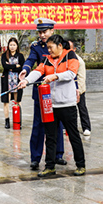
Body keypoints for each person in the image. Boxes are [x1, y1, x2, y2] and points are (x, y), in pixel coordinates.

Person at [18, 34, 86, 177]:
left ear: (60, 46)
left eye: (51, 47)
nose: (49, 50)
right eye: (47, 48)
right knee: (50, 136)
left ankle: (80, 165)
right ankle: (50, 166)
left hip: (67, 104)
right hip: (51, 105)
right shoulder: (47, 60)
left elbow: (71, 73)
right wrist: (26, 81)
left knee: (73, 135)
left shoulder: (70, 56)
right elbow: (38, 71)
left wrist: (55, 76)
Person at [19, 18, 66, 170]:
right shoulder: (36, 47)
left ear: (52, 30)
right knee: (38, 126)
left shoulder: (62, 46)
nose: (42, 35)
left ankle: (58, 155)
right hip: (41, 92)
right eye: (39, 32)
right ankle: (35, 158)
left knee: (57, 123)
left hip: (57, 91)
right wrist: (25, 70)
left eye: (44, 31)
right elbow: (31, 60)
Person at [0, 37, 25, 129]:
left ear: (17, 46)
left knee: (17, 101)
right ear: (8, 46)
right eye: (10, 45)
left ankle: (18, 121)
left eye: (14, 45)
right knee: (6, 102)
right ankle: (7, 121)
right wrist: (15, 66)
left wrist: (11, 67)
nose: (12, 47)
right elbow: (5, 66)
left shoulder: (20, 56)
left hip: (17, 81)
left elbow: (21, 68)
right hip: (7, 81)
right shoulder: (4, 55)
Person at [68, 40, 91, 136]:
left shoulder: (79, 60)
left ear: (74, 49)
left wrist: (79, 92)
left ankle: (86, 127)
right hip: (68, 90)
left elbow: (81, 78)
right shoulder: (64, 59)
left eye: (70, 48)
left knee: (82, 108)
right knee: (68, 110)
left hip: (78, 89)